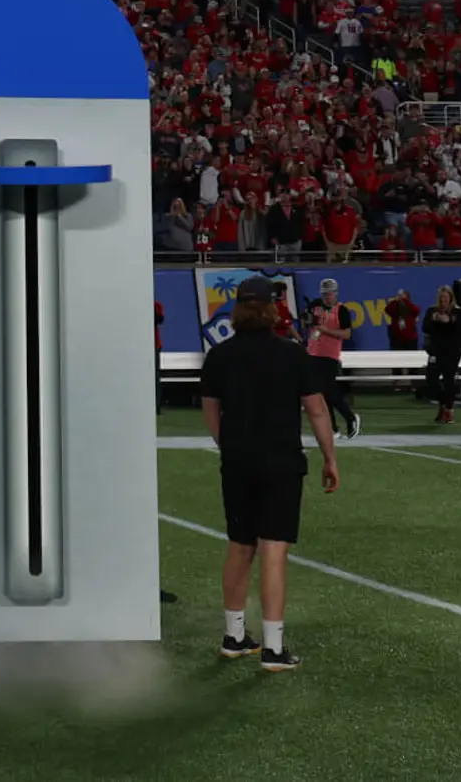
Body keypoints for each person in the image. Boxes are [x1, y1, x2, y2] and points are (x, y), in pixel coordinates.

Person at [198, 278, 339, 673]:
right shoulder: (291, 354)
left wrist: (227, 443)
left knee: (240, 544)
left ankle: (234, 635)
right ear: (273, 308)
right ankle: (274, 648)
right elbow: (316, 411)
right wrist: (330, 458)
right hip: (280, 459)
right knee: (274, 549)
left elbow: (211, 410)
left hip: (239, 460)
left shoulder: (220, 355)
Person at [299, 280, 359, 440]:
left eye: (330, 294)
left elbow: (347, 334)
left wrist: (324, 329)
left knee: (329, 391)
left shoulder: (342, 310)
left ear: (336, 293)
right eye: (324, 294)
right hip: (312, 353)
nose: (327, 297)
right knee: (320, 393)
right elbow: (305, 323)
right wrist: (307, 320)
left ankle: (350, 417)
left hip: (329, 355)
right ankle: (332, 428)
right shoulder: (315, 305)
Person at [421, 285, 461, 425]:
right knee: (431, 379)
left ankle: (449, 411)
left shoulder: (458, 312)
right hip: (436, 351)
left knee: (449, 380)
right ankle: (442, 403)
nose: (443, 301)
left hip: (452, 351)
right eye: (441, 298)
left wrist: (449, 321)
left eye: (445, 298)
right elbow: (425, 328)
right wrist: (435, 319)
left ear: (451, 298)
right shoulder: (432, 311)